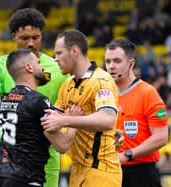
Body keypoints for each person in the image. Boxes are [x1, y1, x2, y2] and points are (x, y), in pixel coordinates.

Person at [0, 8, 67, 187]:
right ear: (13, 37)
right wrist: (18, 104)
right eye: (24, 38)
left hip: (48, 162)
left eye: (36, 37)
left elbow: (74, 106)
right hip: (10, 163)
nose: (31, 44)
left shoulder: (57, 68)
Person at [41, 30, 122, 187]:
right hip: (77, 171)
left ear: (74, 51)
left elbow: (107, 120)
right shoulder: (66, 86)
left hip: (101, 171)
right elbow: (60, 143)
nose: (55, 59)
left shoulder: (101, 80)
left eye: (59, 53)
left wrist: (65, 120)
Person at [0, 48, 76, 187]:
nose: (42, 67)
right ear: (29, 67)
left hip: (1, 178)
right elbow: (62, 145)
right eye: (38, 63)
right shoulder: (37, 101)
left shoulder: (5, 100)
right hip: (25, 180)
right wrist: (73, 121)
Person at [104, 39, 168, 187]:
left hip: (141, 173)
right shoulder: (104, 93)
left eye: (117, 61)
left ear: (131, 63)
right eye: (108, 61)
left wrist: (128, 155)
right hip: (110, 172)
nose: (111, 66)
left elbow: (161, 137)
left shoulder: (148, 93)